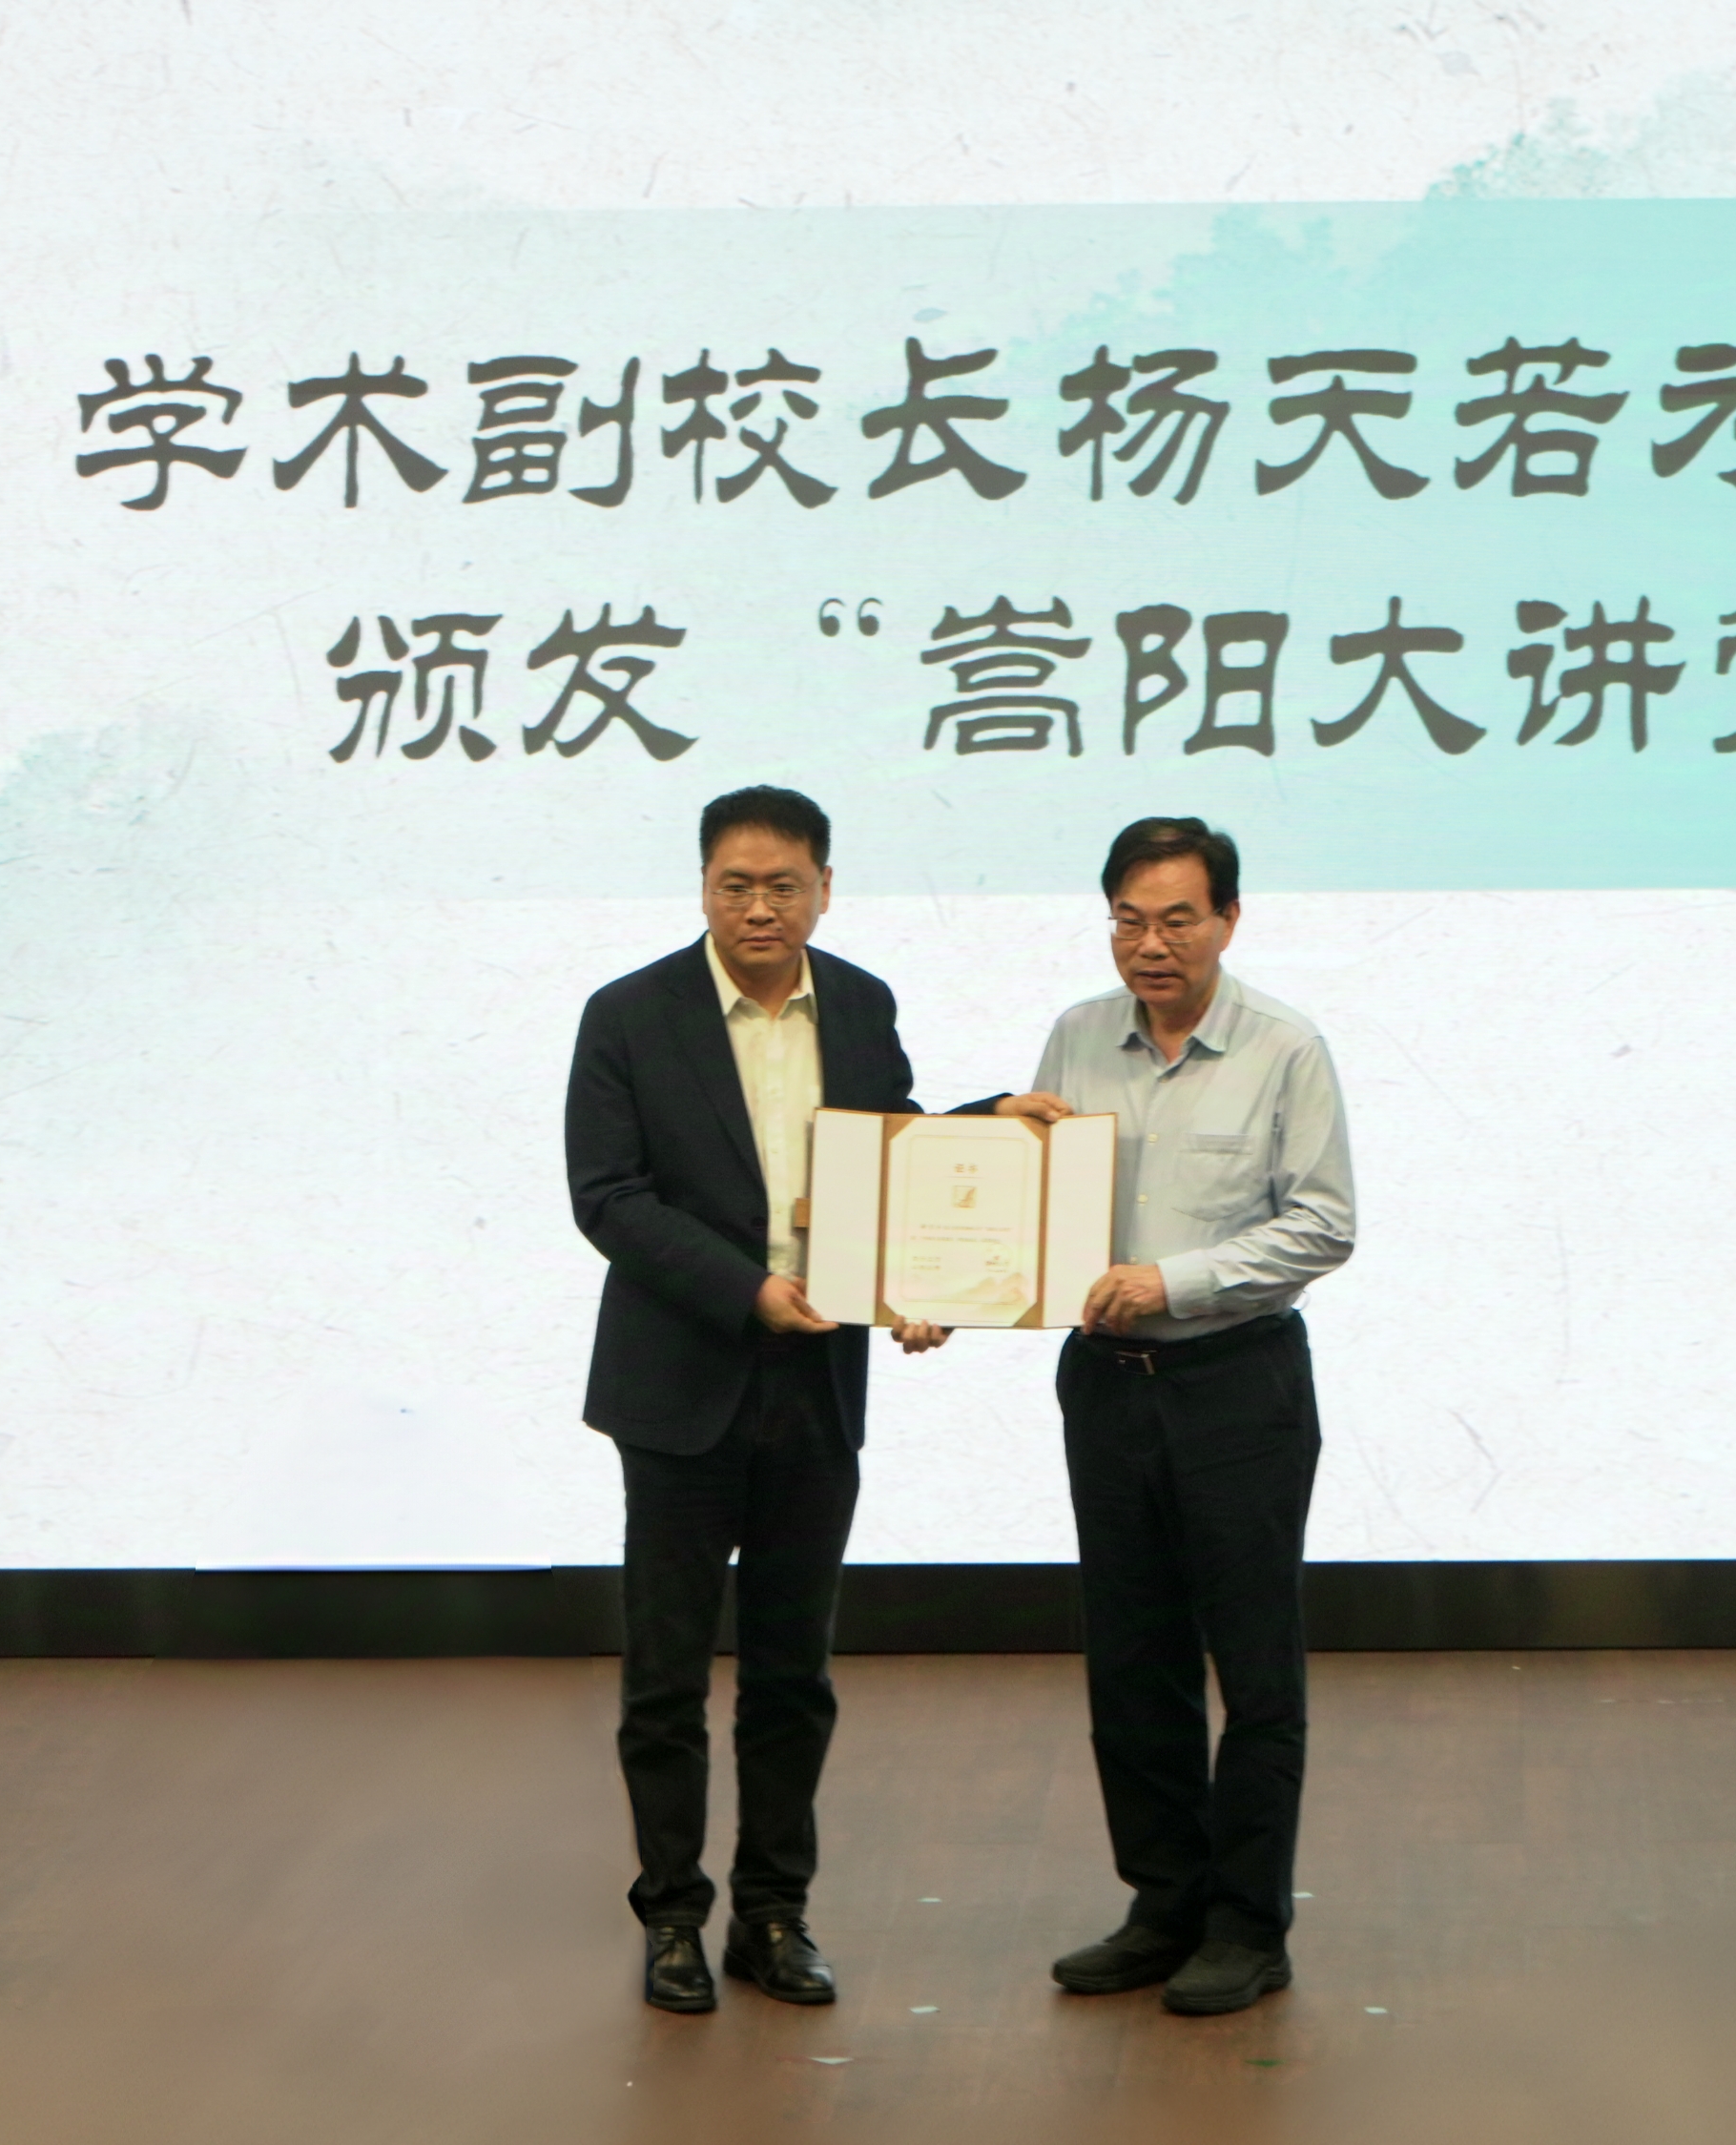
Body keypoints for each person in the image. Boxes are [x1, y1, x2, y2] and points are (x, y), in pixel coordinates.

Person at [563, 785, 945, 2014]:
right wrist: (748, 1292)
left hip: (818, 1382)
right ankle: (673, 1915)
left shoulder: (863, 1002)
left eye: (784, 884)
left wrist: (936, 1259)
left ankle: (773, 1913)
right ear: (703, 888)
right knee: (667, 1672)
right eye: (736, 884)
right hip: (682, 1380)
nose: (760, 907)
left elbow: (900, 1158)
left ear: (824, 887)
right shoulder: (629, 1013)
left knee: (793, 1671)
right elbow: (609, 1196)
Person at [984, 815, 1356, 2016]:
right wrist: (950, 1271)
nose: (1151, 943)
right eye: (1129, 920)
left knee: (1252, 1665)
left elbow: (1323, 1223)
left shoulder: (1285, 1047)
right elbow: (1037, 1205)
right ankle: (1164, 1903)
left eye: (1177, 918)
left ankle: (1248, 1923)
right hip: (1106, 1383)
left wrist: (1175, 1279)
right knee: (1132, 1657)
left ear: (1228, 919)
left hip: (1236, 1380)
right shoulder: (1075, 1035)